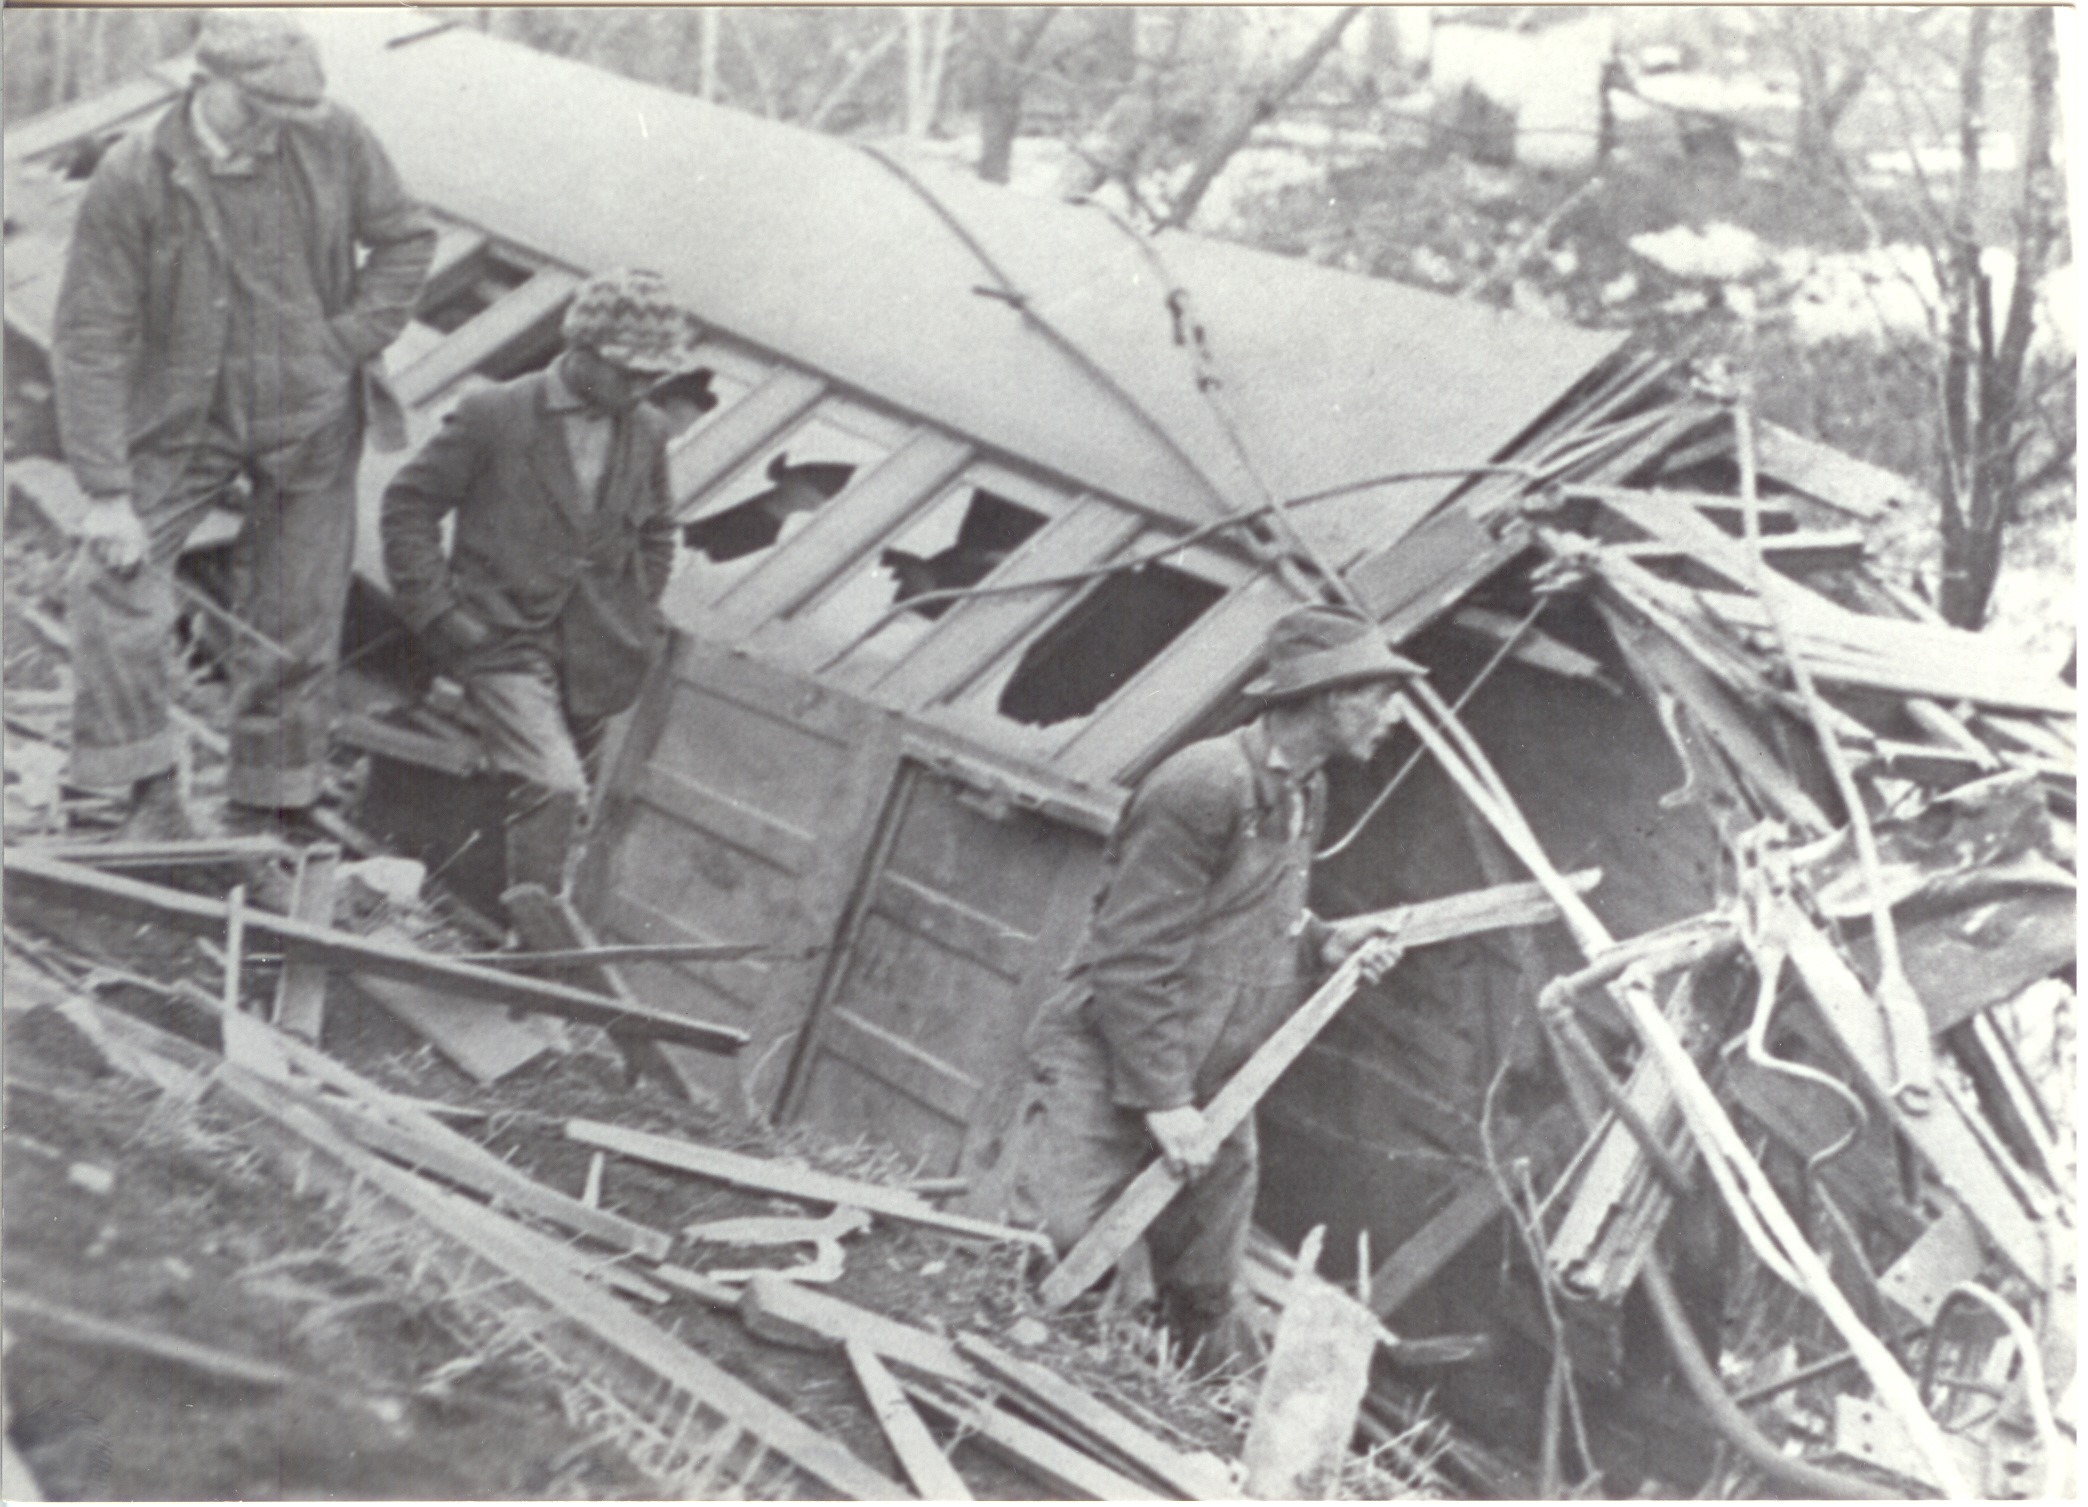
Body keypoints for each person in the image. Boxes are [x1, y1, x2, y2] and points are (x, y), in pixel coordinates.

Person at [53, 9, 435, 843]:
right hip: (184, 420)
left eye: (290, 110)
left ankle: (272, 796)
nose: (275, 126)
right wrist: (106, 492)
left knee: (298, 607)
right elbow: (89, 336)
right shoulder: (134, 175)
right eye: (257, 104)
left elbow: (406, 240)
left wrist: (344, 341)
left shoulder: (332, 136)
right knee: (110, 578)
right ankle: (131, 787)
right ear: (207, 84)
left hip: (310, 416)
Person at [1010, 605, 1419, 1365]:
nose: (1393, 717)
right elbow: (1131, 956)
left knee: (1203, 1276)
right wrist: (1164, 1102)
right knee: (1059, 1247)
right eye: (1381, 695)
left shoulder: (1305, 789)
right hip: (1110, 1057)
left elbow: (1255, 910)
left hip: (1217, 1073)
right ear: (1332, 697)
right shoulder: (1202, 784)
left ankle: (1179, 1423)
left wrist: (1326, 940)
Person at [379, 267, 700, 907]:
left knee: (560, 799)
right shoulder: (492, 414)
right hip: (497, 638)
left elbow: (658, 528)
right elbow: (408, 508)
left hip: (595, 649)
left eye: (652, 376)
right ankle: (535, 949)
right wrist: (440, 614)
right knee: (556, 788)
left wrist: (637, 611)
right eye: (627, 371)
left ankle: (494, 920)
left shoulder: (647, 429)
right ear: (580, 348)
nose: (641, 387)